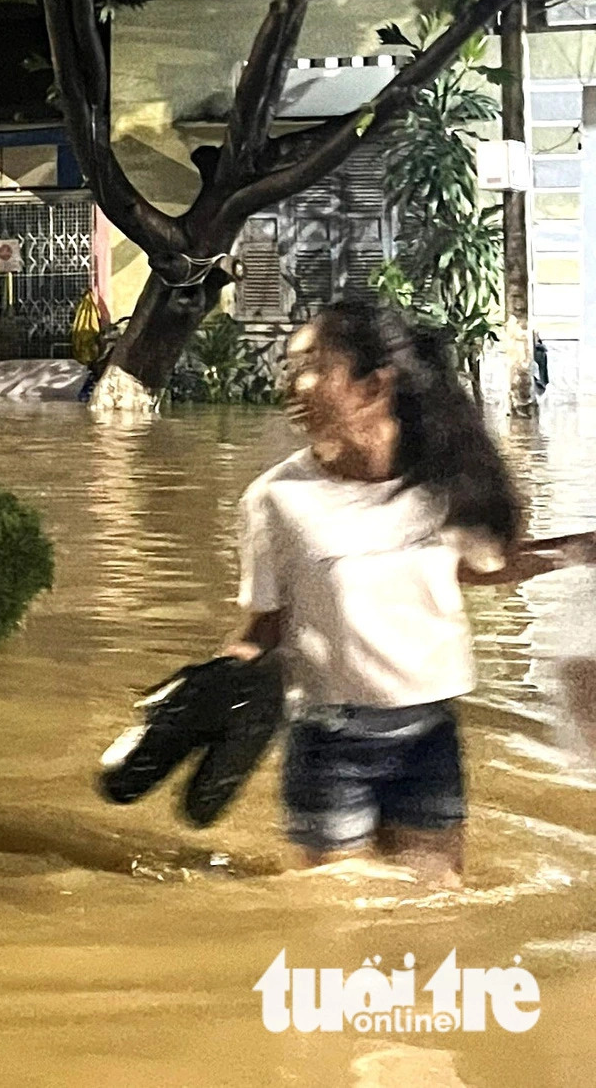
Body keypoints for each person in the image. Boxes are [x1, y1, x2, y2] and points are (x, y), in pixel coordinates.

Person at [226, 302, 592, 886]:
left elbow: (482, 566)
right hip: (329, 742)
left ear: (373, 385)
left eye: (313, 366)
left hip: (429, 738)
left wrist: (584, 548)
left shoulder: (443, 483)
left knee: (437, 910)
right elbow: (264, 628)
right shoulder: (275, 499)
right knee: (337, 918)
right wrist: (216, 686)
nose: (291, 384)